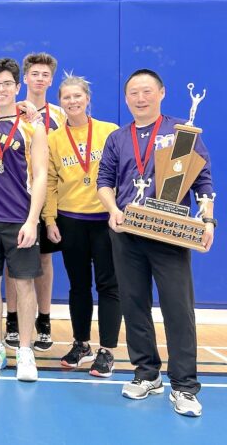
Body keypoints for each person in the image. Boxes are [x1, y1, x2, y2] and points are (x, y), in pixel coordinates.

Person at [97, 68, 216, 417]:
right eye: (133, 92)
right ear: (126, 98)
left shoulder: (180, 134)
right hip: (127, 233)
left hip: (168, 234)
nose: (140, 97)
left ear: (161, 93)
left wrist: (208, 219)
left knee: (178, 309)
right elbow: (104, 181)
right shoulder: (118, 138)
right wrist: (112, 211)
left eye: (147, 91)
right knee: (133, 304)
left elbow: (203, 182)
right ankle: (146, 373)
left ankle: (184, 386)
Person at [0, 57, 47, 382]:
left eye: (7, 84)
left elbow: (42, 175)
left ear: (18, 87)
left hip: (20, 219)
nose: (1, 89)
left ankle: (26, 351)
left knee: (24, 284)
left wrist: (32, 221)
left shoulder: (34, 125)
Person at [42, 74, 121, 377]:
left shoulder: (108, 132)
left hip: (104, 222)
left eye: (78, 96)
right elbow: (49, 182)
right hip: (71, 221)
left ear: (88, 99)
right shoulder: (54, 138)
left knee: (108, 286)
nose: (72, 102)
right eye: (66, 97)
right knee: (78, 287)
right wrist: (50, 219)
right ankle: (81, 344)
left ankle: (108, 350)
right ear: (59, 102)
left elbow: (122, 174)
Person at [3, 52, 66, 352]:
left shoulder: (60, 115)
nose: (40, 79)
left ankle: (44, 318)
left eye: (45, 75)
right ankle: (12, 318)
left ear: (51, 81)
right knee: (12, 258)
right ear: (24, 79)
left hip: (47, 197)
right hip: (15, 196)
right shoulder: (10, 108)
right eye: (35, 74)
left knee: (44, 259)